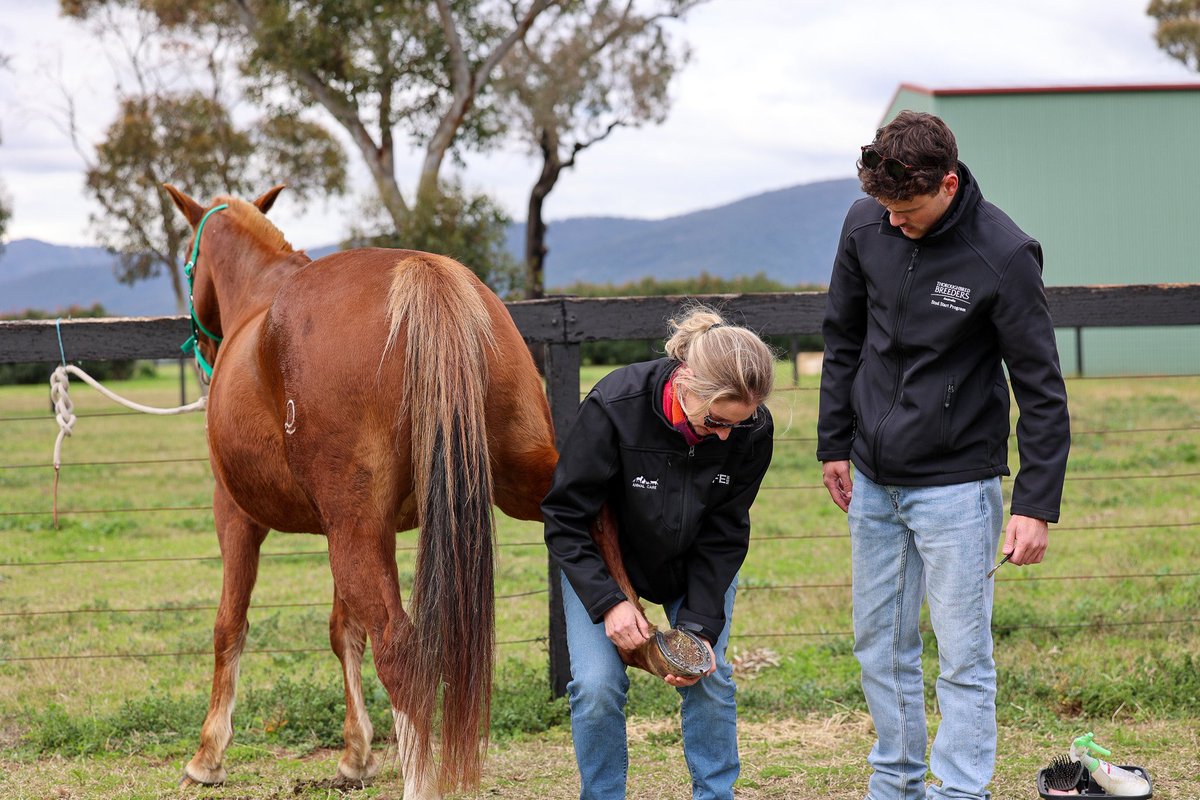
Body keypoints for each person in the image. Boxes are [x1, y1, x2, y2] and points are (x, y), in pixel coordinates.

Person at [817, 110, 1070, 800]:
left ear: (949, 183)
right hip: (870, 478)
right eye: (884, 207)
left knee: (962, 655)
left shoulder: (1006, 254)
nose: (893, 222)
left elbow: (1041, 389)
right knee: (880, 645)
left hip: (957, 486)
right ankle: (895, 783)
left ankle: (960, 791)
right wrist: (833, 442)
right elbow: (842, 339)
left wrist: (1035, 505)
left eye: (907, 208)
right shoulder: (865, 224)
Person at [543, 304, 776, 800]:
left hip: (695, 566)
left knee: (708, 675)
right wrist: (609, 602)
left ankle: (714, 795)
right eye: (716, 422)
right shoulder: (615, 405)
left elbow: (726, 532)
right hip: (603, 565)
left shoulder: (751, 430)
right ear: (687, 382)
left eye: (739, 423)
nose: (725, 436)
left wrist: (700, 627)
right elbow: (564, 517)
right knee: (596, 688)